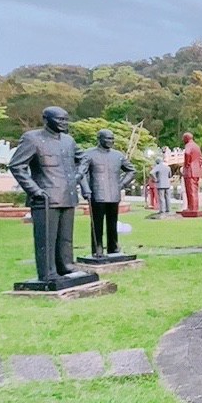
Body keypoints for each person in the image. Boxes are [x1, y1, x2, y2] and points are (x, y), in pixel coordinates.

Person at [8, 106, 84, 282]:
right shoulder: (32, 139)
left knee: (66, 237)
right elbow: (16, 165)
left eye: (66, 119)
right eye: (59, 119)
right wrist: (34, 190)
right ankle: (47, 273)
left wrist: (77, 176)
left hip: (67, 195)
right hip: (45, 197)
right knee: (46, 239)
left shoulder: (68, 141)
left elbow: (83, 158)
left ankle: (66, 266)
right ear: (46, 119)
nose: (64, 123)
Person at [79, 129, 136, 258]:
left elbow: (131, 170)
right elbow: (80, 172)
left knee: (113, 222)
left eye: (112, 139)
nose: (111, 141)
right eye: (107, 139)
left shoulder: (117, 155)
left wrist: (121, 184)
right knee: (97, 224)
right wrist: (85, 189)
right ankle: (97, 248)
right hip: (97, 193)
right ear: (99, 139)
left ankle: (113, 247)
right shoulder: (89, 154)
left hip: (113, 194)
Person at [181, 132, 202, 214]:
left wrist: (187, 164)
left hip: (190, 171)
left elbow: (187, 153)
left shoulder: (189, 145)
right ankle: (195, 207)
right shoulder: (197, 146)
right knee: (195, 190)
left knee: (190, 190)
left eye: (183, 138)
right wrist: (198, 166)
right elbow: (201, 158)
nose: (183, 140)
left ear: (187, 138)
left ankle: (191, 208)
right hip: (196, 171)